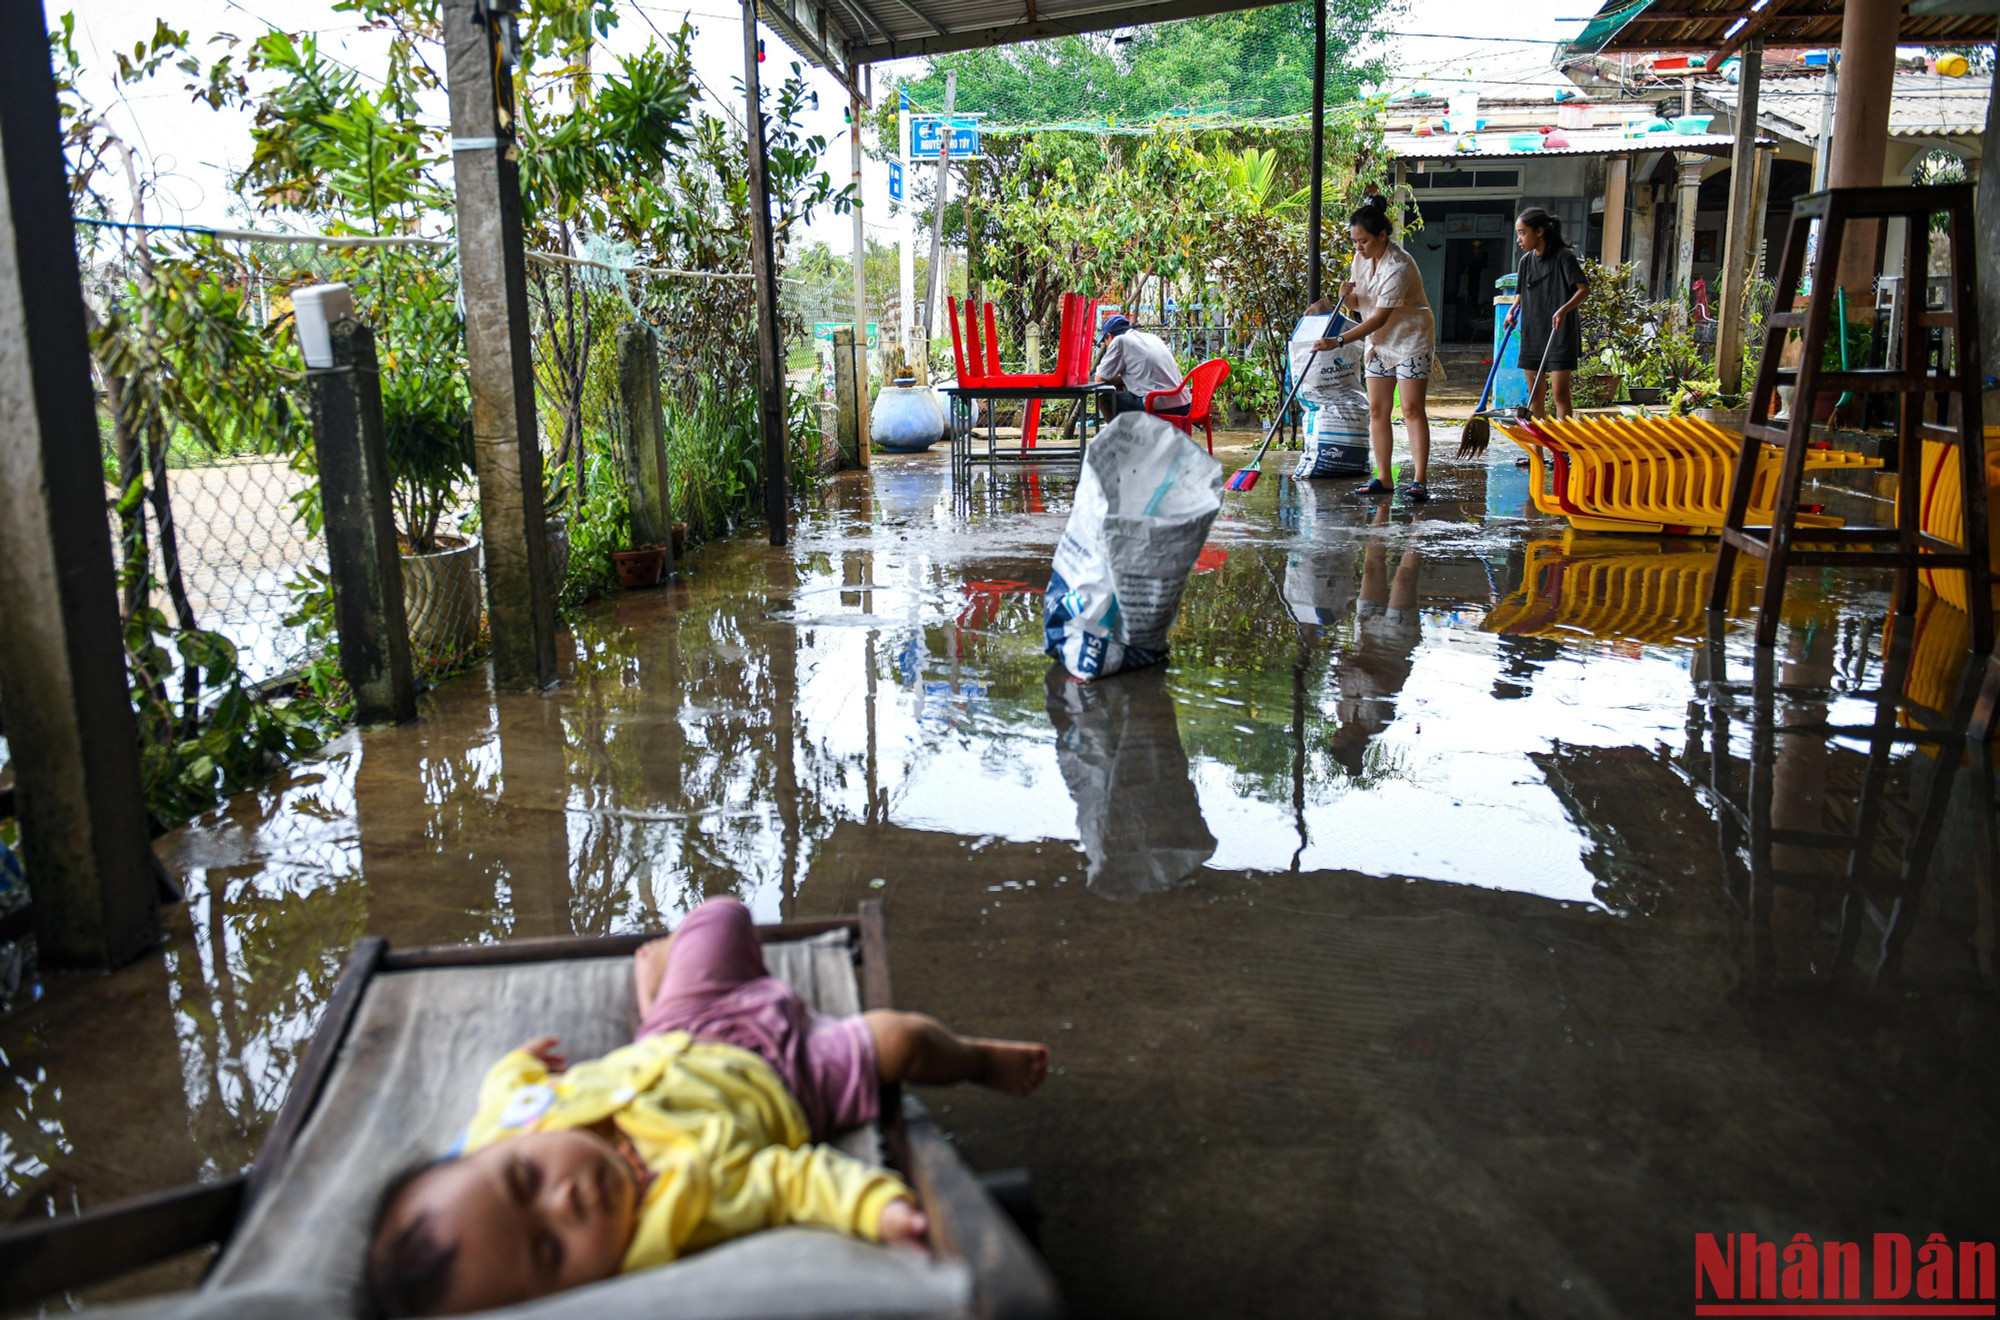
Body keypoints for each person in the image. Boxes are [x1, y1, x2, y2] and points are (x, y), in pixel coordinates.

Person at [367, 897, 1051, 1317]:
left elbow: (502, 1096)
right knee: (899, 1040)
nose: (565, 1200)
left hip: (685, 1029)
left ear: (498, 1153)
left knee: (719, 915)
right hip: (794, 1076)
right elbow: (791, 1182)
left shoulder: (513, 1125)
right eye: (550, 1251)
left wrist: (518, 1064)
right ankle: (974, 1059)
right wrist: (875, 1205)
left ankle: (653, 1004)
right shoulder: (682, 1205)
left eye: (525, 1179)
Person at [1314, 194, 1438, 502]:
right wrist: (1347, 296)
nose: (1358, 247)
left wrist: (1339, 340)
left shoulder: (1400, 266)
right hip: (1379, 343)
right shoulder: (1361, 259)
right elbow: (1361, 304)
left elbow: (1380, 318)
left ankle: (1420, 479)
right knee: (1377, 409)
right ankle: (1384, 478)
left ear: (1383, 235)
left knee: (1411, 409)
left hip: (1411, 340)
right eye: (1355, 241)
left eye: (1364, 241)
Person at [1507, 207, 1589, 421]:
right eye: (1518, 233)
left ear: (1540, 231)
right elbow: (1521, 294)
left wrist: (1564, 309)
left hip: (1559, 334)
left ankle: (1562, 451)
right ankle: (1537, 453)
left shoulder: (1564, 257)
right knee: (1535, 395)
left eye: (1522, 233)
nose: (1519, 239)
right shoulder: (1525, 262)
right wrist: (1512, 310)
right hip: (1533, 334)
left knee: (1560, 394)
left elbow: (1583, 289)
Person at [1093, 313, 1189, 420]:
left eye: (1105, 341)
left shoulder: (1119, 340)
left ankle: (1119, 435)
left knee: (1105, 398)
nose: (1107, 345)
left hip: (1159, 404)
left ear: (1109, 336)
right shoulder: (1152, 337)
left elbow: (1099, 379)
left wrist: (1118, 379)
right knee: (1130, 395)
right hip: (1184, 403)